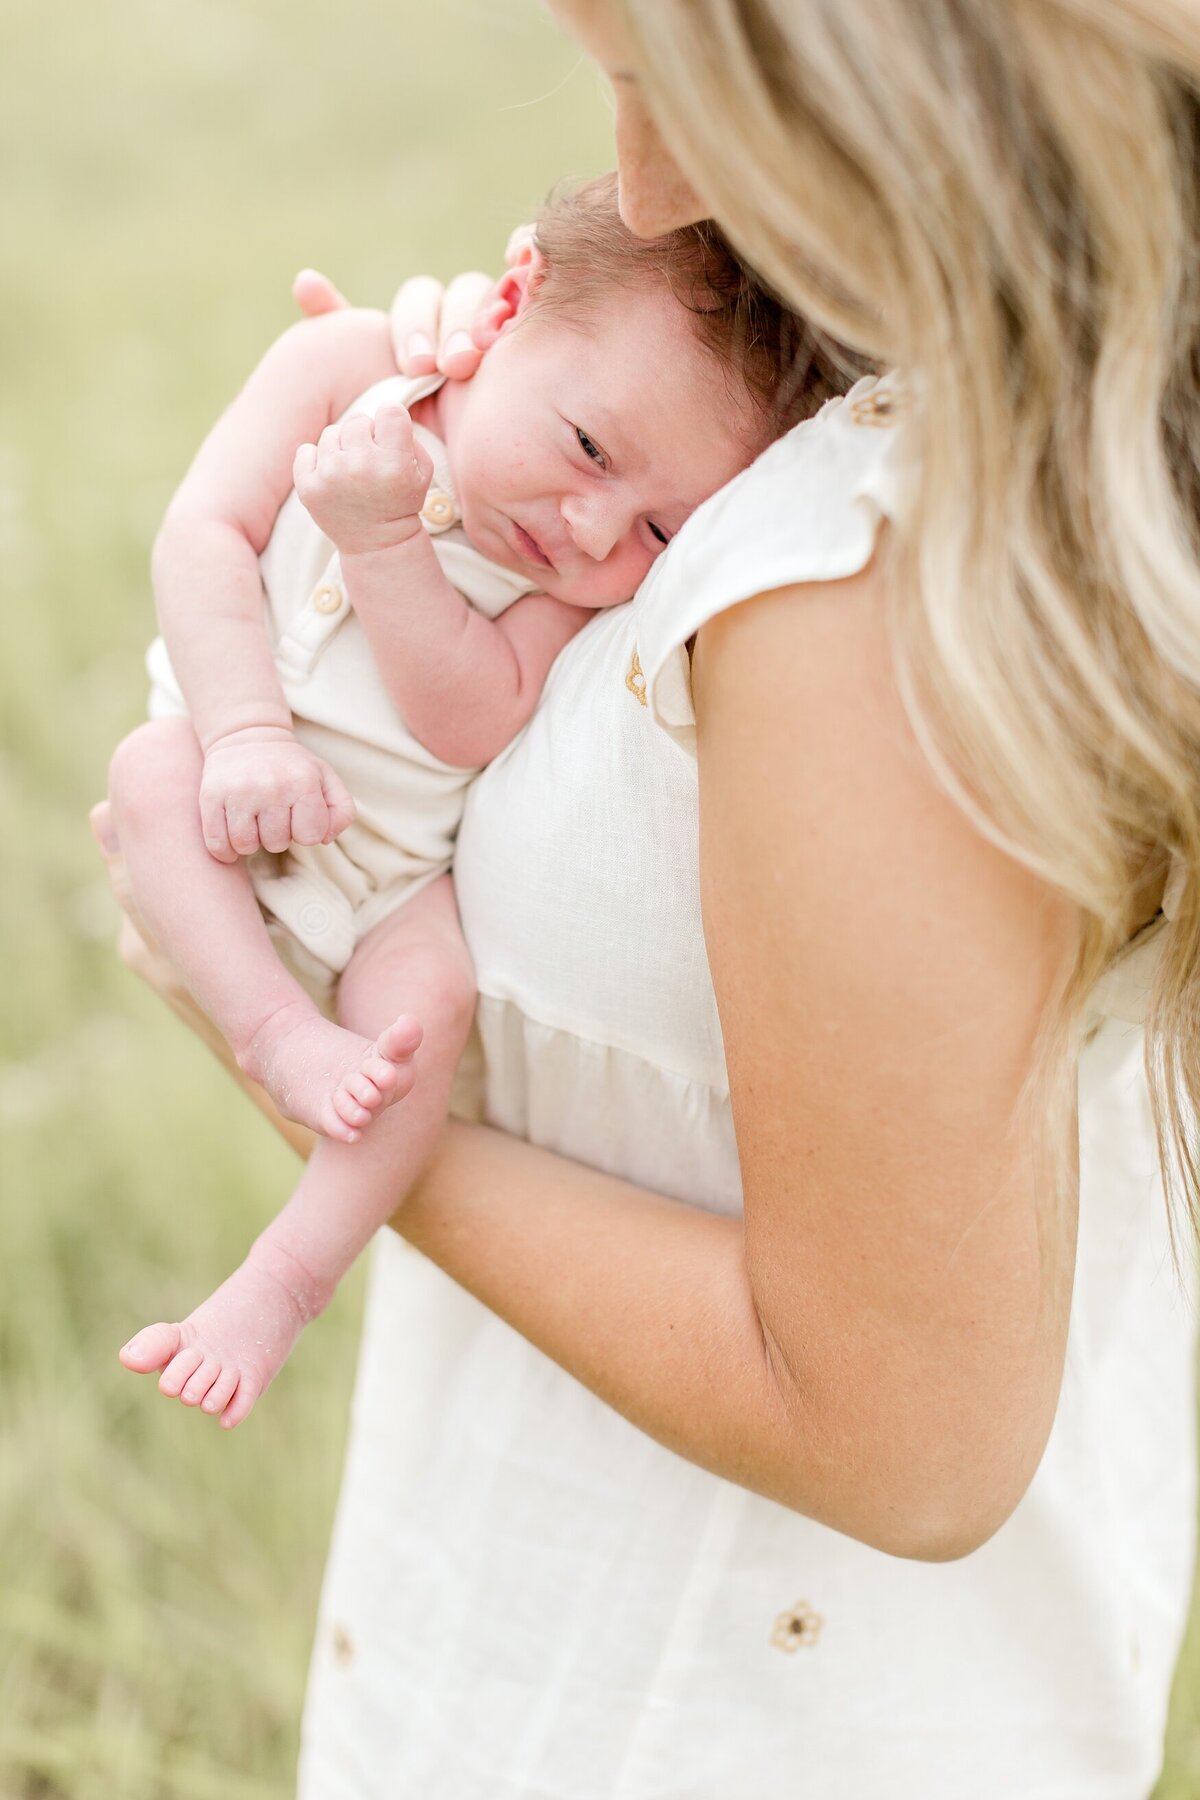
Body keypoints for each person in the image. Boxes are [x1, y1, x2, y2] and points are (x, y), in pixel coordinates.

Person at [93, 0, 1200, 1793]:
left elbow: (905, 1439)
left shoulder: (849, 569)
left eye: (677, 82)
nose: (642, 174)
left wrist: (328, 1087)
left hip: (710, 1712)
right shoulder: (961, 418)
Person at [106, 175, 825, 1430]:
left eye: (663, 529)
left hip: (390, 875)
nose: (593, 527)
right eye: (590, 448)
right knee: (144, 778)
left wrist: (385, 551)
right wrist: (244, 735)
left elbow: (473, 714)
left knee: (426, 1000)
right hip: (226, 767)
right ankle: (273, 1033)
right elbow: (203, 531)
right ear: (512, 301)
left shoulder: (570, 589)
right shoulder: (345, 368)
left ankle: (282, 1282)